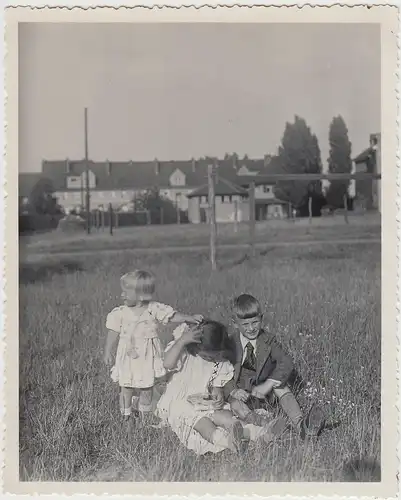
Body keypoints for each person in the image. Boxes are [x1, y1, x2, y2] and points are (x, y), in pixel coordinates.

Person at [156, 320, 287, 455]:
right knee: (202, 422)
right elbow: (167, 363)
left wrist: (217, 392)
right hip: (179, 403)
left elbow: (216, 384)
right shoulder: (184, 353)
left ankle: (261, 434)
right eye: (206, 356)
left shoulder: (218, 361)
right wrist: (182, 341)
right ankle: (226, 441)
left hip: (205, 401)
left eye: (214, 356)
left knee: (227, 417)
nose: (211, 360)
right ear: (196, 347)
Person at [103, 270, 203, 420]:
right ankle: (126, 415)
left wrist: (189, 317)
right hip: (128, 356)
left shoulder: (153, 309)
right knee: (126, 386)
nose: (122, 295)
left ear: (141, 296)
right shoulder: (120, 312)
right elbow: (113, 332)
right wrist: (107, 351)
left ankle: (144, 416)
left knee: (147, 387)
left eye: (126, 292)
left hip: (148, 355)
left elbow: (171, 317)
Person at [224, 294, 325, 440]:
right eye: (245, 325)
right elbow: (220, 372)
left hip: (264, 396)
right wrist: (233, 390)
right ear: (235, 323)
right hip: (241, 396)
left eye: (255, 322)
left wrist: (269, 383)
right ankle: (272, 427)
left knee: (281, 386)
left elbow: (286, 362)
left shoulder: (268, 340)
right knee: (236, 405)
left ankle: (301, 425)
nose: (251, 328)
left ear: (261, 318)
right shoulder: (229, 344)